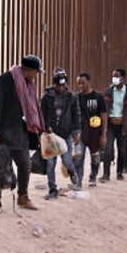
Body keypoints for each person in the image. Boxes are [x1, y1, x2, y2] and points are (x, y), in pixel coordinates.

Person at [0, 54, 45, 212]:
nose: (36, 75)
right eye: (35, 72)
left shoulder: (29, 85)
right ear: (28, 70)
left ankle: (23, 197)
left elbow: (33, 108)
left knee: (25, 165)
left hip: (20, 133)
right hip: (3, 132)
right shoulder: (5, 80)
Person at [40, 68, 80, 199]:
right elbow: (42, 115)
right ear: (54, 84)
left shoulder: (72, 97)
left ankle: (72, 171)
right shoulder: (46, 97)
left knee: (67, 160)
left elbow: (76, 115)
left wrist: (76, 131)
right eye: (58, 85)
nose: (61, 88)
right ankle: (52, 189)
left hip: (66, 134)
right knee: (50, 163)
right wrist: (46, 127)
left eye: (63, 85)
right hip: (51, 136)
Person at [73, 72, 108, 186]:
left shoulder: (98, 97)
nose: (81, 85)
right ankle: (78, 182)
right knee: (78, 157)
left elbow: (103, 116)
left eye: (83, 83)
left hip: (95, 132)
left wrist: (103, 135)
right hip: (80, 131)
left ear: (88, 82)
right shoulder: (76, 98)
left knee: (96, 158)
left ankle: (93, 176)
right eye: (79, 83)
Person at [102, 68, 127, 181]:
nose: (114, 79)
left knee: (122, 149)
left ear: (123, 78)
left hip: (123, 125)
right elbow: (104, 109)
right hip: (111, 124)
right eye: (113, 76)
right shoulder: (109, 91)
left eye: (117, 76)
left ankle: (119, 172)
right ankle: (106, 174)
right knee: (108, 148)